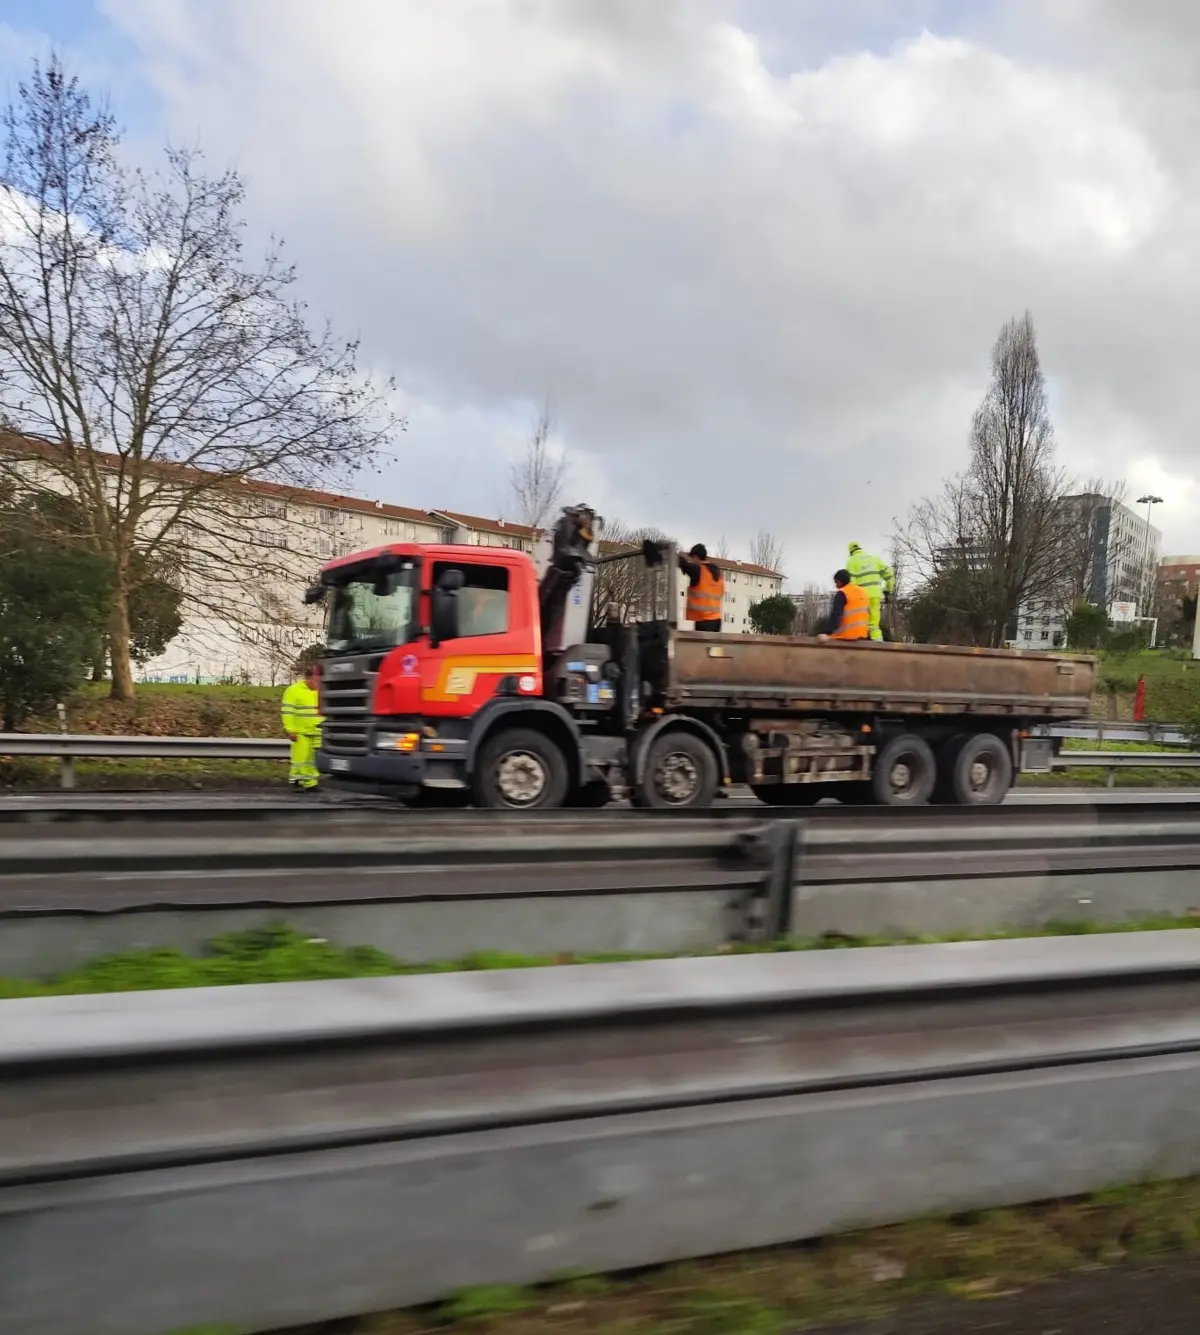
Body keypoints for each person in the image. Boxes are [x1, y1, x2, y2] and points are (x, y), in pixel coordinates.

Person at [281, 662, 323, 790]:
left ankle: (303, 781)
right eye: (317, 681)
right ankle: (305, 783)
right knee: (301, 758)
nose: (319, 684)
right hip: (300, 732)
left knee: (311, 760)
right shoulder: (293, 691)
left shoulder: (320, 691)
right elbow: (288, 712)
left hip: (317, 731)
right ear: (309, 678)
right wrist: (290, 730)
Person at [846, 542, 895, 642]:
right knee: (874, 625)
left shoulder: (851, 561)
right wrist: (888, 590)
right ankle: (878, 646)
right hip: (875, 596)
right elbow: (889, 574)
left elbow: (851, 582)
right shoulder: (874, 558)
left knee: (859, 624)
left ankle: (860, 647)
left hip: (860, 597)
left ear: (850, 551)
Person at [678, 543, 726, 631]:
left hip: (703, 621)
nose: (692, 561)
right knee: (712, 645)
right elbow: (722, 592)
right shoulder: (718, 572)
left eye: (692, 558)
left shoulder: (698, 570)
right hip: (716, 620)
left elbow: (682, 563)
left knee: (701, 645)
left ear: (696, 557)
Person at [817, 570, 870, 641]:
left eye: (836, 582)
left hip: (846, 636)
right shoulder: (863, 591)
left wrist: (826, 632)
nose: (836, 586)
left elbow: (836, 614)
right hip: (862, 635)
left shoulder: (842, 593)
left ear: (841, 581)